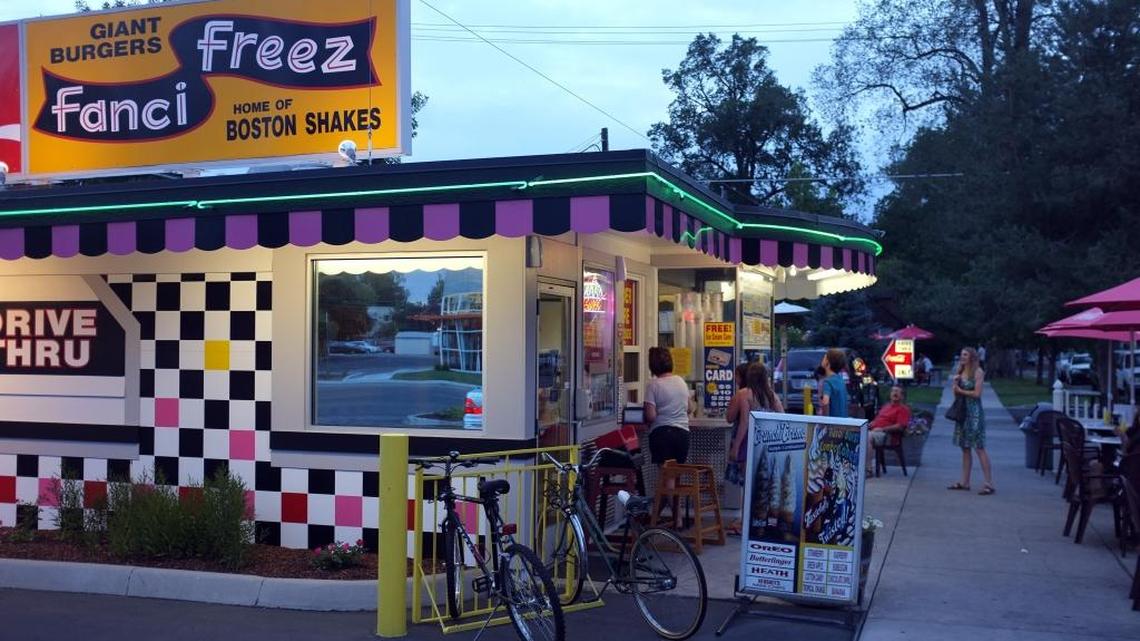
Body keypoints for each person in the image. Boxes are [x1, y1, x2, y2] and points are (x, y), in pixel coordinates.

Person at [726, 362, 783, 534]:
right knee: (763, 485)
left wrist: (736, 447)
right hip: (767, 444)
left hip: (748, 444)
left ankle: (745, 522)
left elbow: (744, 421)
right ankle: (761, 520)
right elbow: (782, 416)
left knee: (748, 485)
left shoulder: (745, 394)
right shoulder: (771, 395)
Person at [644, 346, 690, 527]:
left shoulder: (653, 385)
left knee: (667, 478)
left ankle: (677, 519)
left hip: (662, 435)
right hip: (683, 435)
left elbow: (650, 416)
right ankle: (655, 518)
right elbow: (689, 408)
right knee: (671, 477)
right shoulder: (681, 381)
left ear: (652, 365)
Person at [948, 347, 995, 495]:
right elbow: (956, 394)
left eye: (965, 355)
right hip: (962, 413)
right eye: (961, 354)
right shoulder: (960, 371)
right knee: (965, 447)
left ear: (972, 357)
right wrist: (955, 384)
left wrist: (961, 390)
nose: (962, 357)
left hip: (974, 413)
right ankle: (965, 482)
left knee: (979, 447)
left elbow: (977, 394)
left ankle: (988, 483)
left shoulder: (978, 372)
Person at [866, 386, 911, 476]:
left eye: (897, 391)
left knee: (866, 437)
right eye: (893, 391)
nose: (895, 393)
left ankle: (868, 469)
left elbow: (900, 426)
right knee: (857, 435)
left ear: (902, 396)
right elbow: (879, 420)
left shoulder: (903, 409)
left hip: (888, 435)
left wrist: (882, 429)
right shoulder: (886, 407)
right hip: (875, 431)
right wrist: (871, 424)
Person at [819, 348, 848, 418]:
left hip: (833, 422)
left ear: (827, 362)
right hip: (844, 420)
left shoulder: (828, 382)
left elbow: (825, 402)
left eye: (824, 358)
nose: (822, 360)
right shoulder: (841, 380)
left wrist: (824, 420)